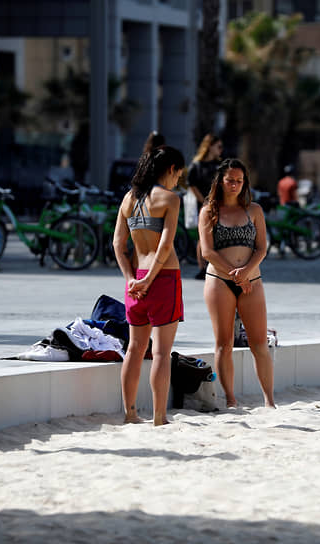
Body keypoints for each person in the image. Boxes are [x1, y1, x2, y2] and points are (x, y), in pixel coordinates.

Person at [113, 145, 185, 425]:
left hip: (135, 280)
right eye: (178, 173)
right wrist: (150, 278)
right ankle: (159, 416)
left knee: (134, 349)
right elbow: (165, 246)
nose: (178, 180)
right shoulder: (170, 198)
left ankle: (130, 413)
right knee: (161, 352)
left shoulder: (128, 199)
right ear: (170, 169)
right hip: (163, 278)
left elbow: (118, 244)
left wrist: (132, 279)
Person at [198, 158, 276, 409]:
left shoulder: (254, 210)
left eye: (239, 181)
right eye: (230, 180)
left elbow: (262, 248)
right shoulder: (209, 211)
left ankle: (269, 400)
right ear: (220, 181)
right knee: (224, 343)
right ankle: (231, 400)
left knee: (259, 343)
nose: (234, 185)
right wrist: (235, 275)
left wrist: (246, 272)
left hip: (251, 279)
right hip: (220, 280)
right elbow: (208, 252)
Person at [187, 133, 223, 279]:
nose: (221, 150)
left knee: (218, 236)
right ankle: (202, 267)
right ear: (210, 147)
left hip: (219, 205)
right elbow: (192, 184)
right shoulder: (197, 165)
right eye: (218, 146)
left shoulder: (220, 165)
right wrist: (205, 201)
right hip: (203, 205)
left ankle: (215, 266)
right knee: (203, 237)